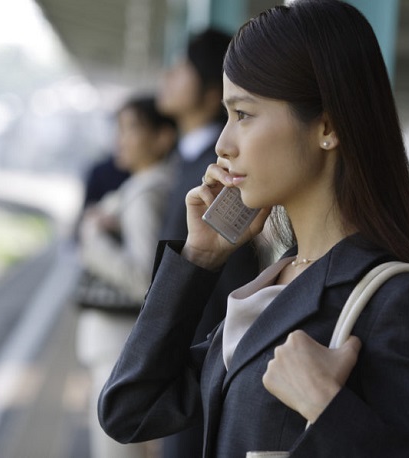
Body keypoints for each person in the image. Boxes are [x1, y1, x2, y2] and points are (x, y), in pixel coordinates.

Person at [98, 1, 409, 456]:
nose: (224, 144)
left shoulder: (397, 304)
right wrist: (198, 259)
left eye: (243, 115)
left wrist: (328, 408)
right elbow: (131, 409)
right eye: (226, 116)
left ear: (327, 125)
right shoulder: (276, 283)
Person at [156, 27, 261, 458]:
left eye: (246, 115)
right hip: (180, 353)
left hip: (201, 355)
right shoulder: (186, 158)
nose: (168, 76)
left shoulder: (220, 173)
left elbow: (231, 277)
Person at [76, 95, 177, 458]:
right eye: (118, 129)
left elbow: (145, 281)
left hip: (118, 346)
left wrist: (92, 238)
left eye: (131, 129)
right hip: (123, 346)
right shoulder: (157, 184)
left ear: (163, 137)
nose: (120, 139)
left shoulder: (146, 190)